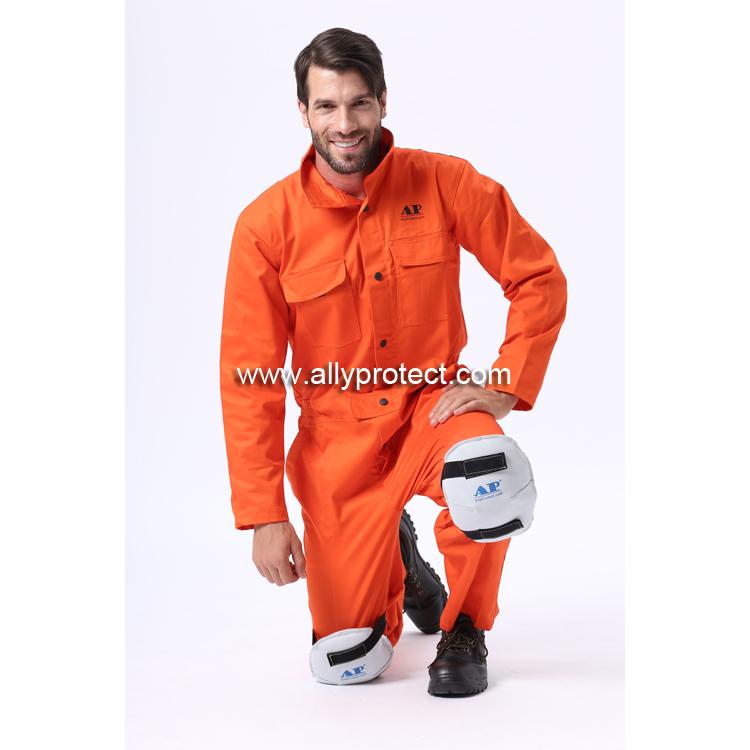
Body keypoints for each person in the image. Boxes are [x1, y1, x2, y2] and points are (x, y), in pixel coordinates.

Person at [220, 27, 567, 696]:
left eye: (359, 103)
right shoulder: (265, 226)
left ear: (383, 100)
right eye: (327, 106)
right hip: (337, 443)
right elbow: (247, 379)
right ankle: (402, 562)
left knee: (487, 471)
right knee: (348, 661)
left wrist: (505, 383)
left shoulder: (444, 182)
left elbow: (538, 277)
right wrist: (263, 513)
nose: (345, 124)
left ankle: (466, 627)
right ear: (303, 111)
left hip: (432, 408)